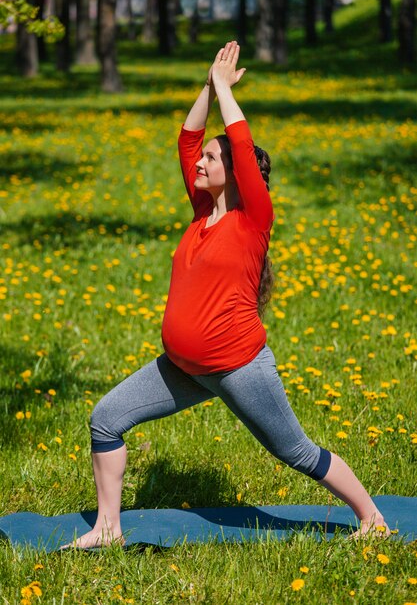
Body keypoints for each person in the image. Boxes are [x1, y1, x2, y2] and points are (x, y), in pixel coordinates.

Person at [62, 41, 389, 549]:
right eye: (206, 158)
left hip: (238, 367)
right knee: (106, 419)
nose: (200, 162)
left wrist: (225, 93)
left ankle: (370, 515)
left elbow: (237, 136)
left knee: (295, 451)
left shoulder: (252, 218)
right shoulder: (202, 212)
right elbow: (188, 138)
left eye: (213, 159)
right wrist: (207, 87)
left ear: (236, 173)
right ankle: (108, 529)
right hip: (182, 367)